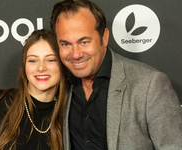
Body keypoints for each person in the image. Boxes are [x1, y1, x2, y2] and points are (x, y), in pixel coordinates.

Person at [50, 0, 182, 149]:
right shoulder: (61, 86)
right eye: (66, 44)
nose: (75, 54)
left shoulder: (150, 85)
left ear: (104, 37)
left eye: (84, 42)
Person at [0, 29, 66, 150]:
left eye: (50, 59)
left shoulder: (71, 115)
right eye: (33, 60)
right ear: (24, 66)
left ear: (62, 64)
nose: (41, 67)